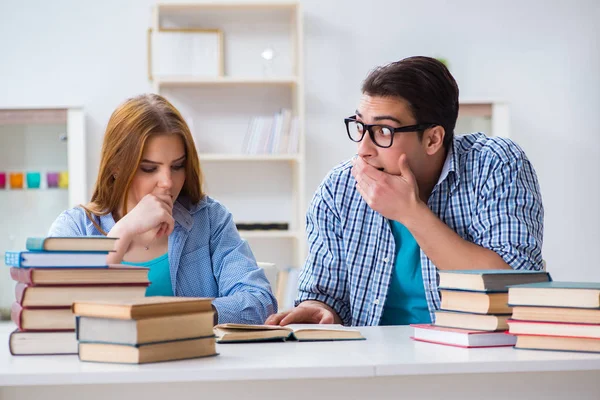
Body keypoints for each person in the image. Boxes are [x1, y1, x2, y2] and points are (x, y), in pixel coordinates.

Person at [266, 56, 543, 327]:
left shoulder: (495, 163)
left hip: (473, 357)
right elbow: (324, 295)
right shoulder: (339, 188)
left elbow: (514, 283)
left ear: (433, 139)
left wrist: (411, 213)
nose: (363, 149)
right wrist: (317, 310)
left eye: (384, 131)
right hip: (372, 361)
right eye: (361, 126)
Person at [48, 94, 277, 325]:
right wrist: (122, 232)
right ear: (116, 167)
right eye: (149, 168)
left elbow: (259, 301)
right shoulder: (74, 227)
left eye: (177, 166)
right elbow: (54, 311)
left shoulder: (210, 219)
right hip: (103, 361)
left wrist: (183, 315)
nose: (167, 182)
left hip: (196, 361)